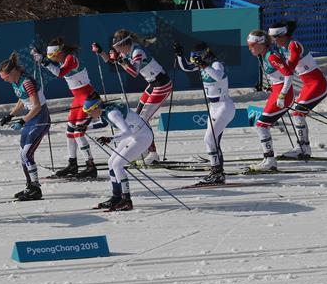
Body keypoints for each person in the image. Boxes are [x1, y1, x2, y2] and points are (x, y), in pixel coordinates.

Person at [94, 29, 172, 164]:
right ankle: (146, 150)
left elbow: (134, 73)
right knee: (137, 118)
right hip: (152, 84)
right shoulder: (125, 51)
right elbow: (112, 62)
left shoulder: (138, 52)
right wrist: (101, 52)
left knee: (143, 119)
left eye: (118, 47)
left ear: (125, 44)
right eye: (116, 48)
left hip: (162, 84)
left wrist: (121, 61)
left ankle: (152, 154)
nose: (117, 50)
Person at [32, 38, 98, 179]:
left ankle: (91, 166)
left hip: (87, 98)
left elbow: (60, 73)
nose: (54, 59)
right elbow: (55, 67)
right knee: (69, 131)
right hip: (77, 99)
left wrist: (44, 61)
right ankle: (72, 164)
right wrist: (42, 59)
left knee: (78, 133)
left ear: (60, 52)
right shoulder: (62, 59)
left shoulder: (70, 59)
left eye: (54, 56)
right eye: (52, 57)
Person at [175, 42, 234, 185]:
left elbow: (218, 77)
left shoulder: (216, 64)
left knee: (209, 139)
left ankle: (216, 172)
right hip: (213, 107)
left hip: (224, 106)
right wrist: (179, 55)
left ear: (205, 55)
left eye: (198, 58)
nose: (196, 62)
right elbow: (186, 67)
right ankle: (218, 173)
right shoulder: (201, 65)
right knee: (214, 142)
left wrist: (204, 65)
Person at [268, 21, 327, 159]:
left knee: (297, 113)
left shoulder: (294, 45)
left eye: (274, 38)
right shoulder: (283, 48)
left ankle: (303, 148)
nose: (273, 41)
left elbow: (289, 68)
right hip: (308, 84)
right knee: (297, 114)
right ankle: (303, 148)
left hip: (318, 84)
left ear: (283, 35)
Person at [81, 97, 153, 211]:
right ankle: (116, 197)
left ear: (96, 107)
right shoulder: (105, 111)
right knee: (111, 162)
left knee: (118, 164)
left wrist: (110, 139)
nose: (89, 115)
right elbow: (103, 123)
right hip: (133, 135)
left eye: (90, 111)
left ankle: (126, 200)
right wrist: (86, 127)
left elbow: (126, 131)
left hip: (142, 137)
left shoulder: (112, 114)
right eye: (87, 112)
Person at [0, 52, 49, 200]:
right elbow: (22, 99)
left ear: (12, 72)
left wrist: (22, 121)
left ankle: (36, 189)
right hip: (31, 118)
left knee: (26, 154)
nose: (5, 81)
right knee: (22, 155)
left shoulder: (27, 81)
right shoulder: (16, 81)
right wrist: (10, 115)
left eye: (5, 78)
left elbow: (37, 106)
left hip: (39, 118)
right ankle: (30, 186)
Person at [245, 29, 295, 172]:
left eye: (252, 45)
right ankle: (268, 159)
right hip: (277, 92)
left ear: (261, 44)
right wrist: (272, 88)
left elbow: (289, 75)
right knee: (262, 124)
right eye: (249, 45)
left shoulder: (271, 56)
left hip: (283, 94)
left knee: (261, 125)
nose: (250, 48)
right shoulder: (264, 55)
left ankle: (270, 160)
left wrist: (282, 94)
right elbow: (278, 77)